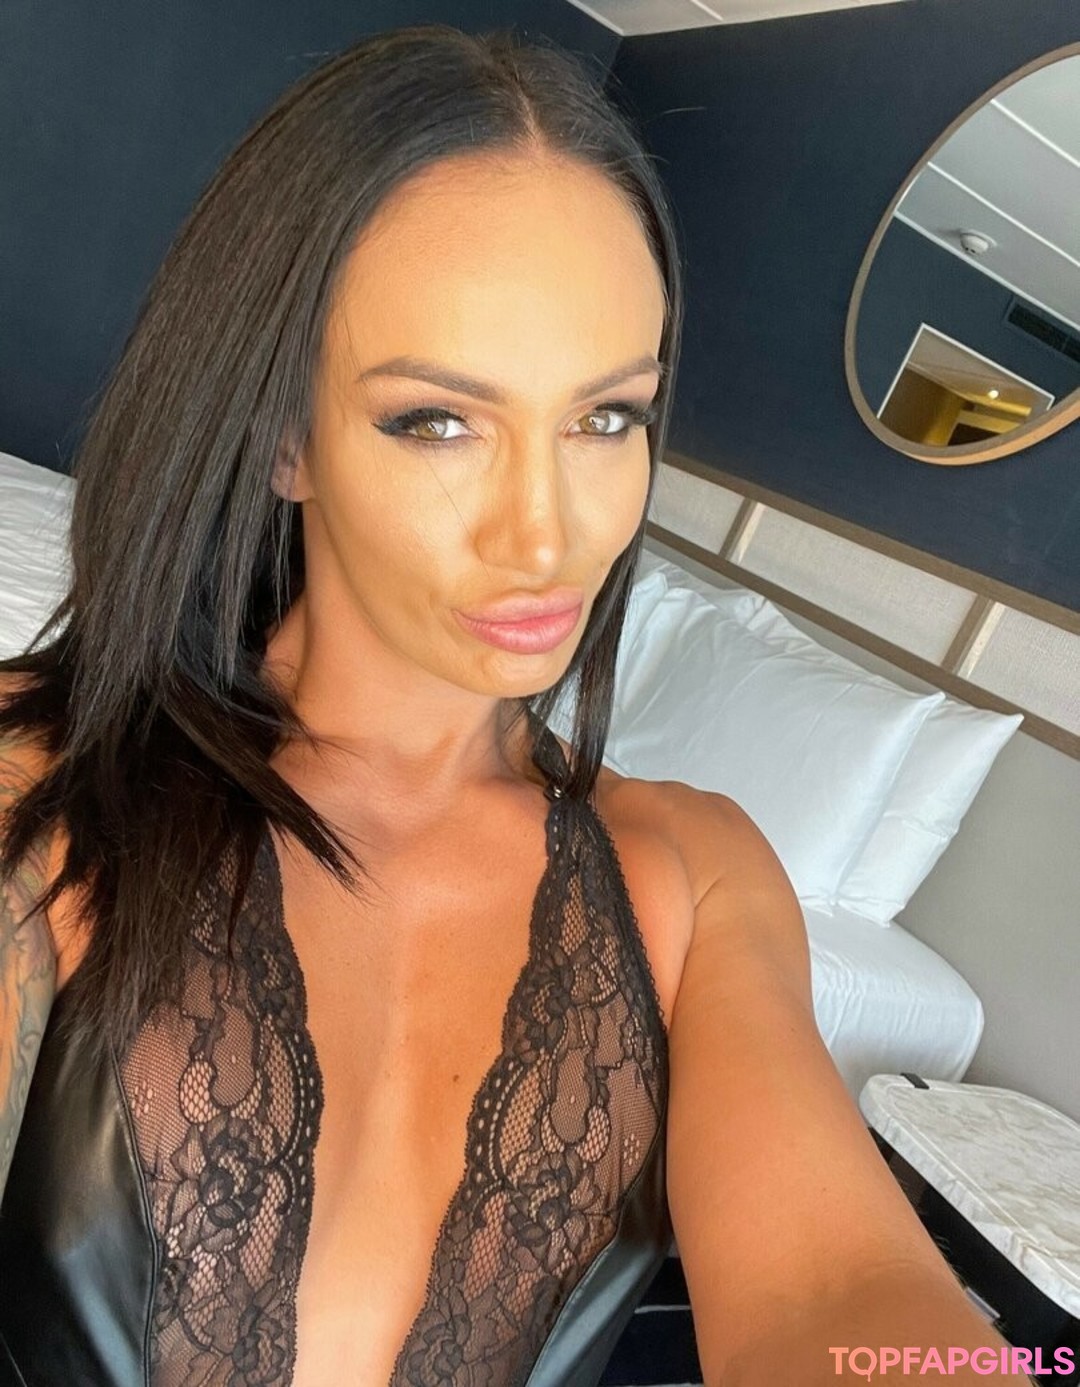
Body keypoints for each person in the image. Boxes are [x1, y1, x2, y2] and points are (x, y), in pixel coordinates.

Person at [0, 22, 1033, 1387]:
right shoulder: (38, 777)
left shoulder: (695, 875)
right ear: (284, 437)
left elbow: (839, 1286)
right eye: (437, 420)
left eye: (607, 418)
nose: (546, 536)